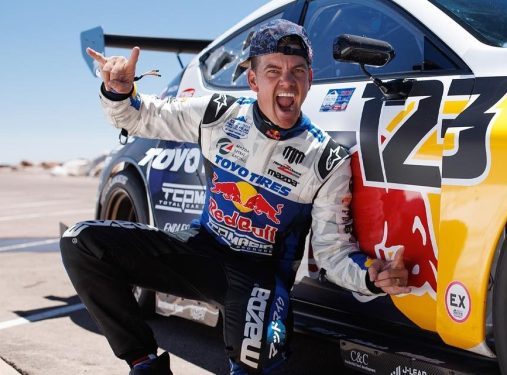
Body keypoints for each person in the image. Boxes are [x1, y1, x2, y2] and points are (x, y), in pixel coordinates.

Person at [60, 19, 411, 375]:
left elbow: (332, 253)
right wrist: (119, 90)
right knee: (81, 242)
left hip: (259, 276)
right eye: (273, 70)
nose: (286, 82)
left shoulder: (326, 160)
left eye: (297, 71)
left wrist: (370, 276)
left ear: (309, 79)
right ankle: (144, 363)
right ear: (253, 80)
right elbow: (141, 118)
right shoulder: (218, 114)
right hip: (201, 252)